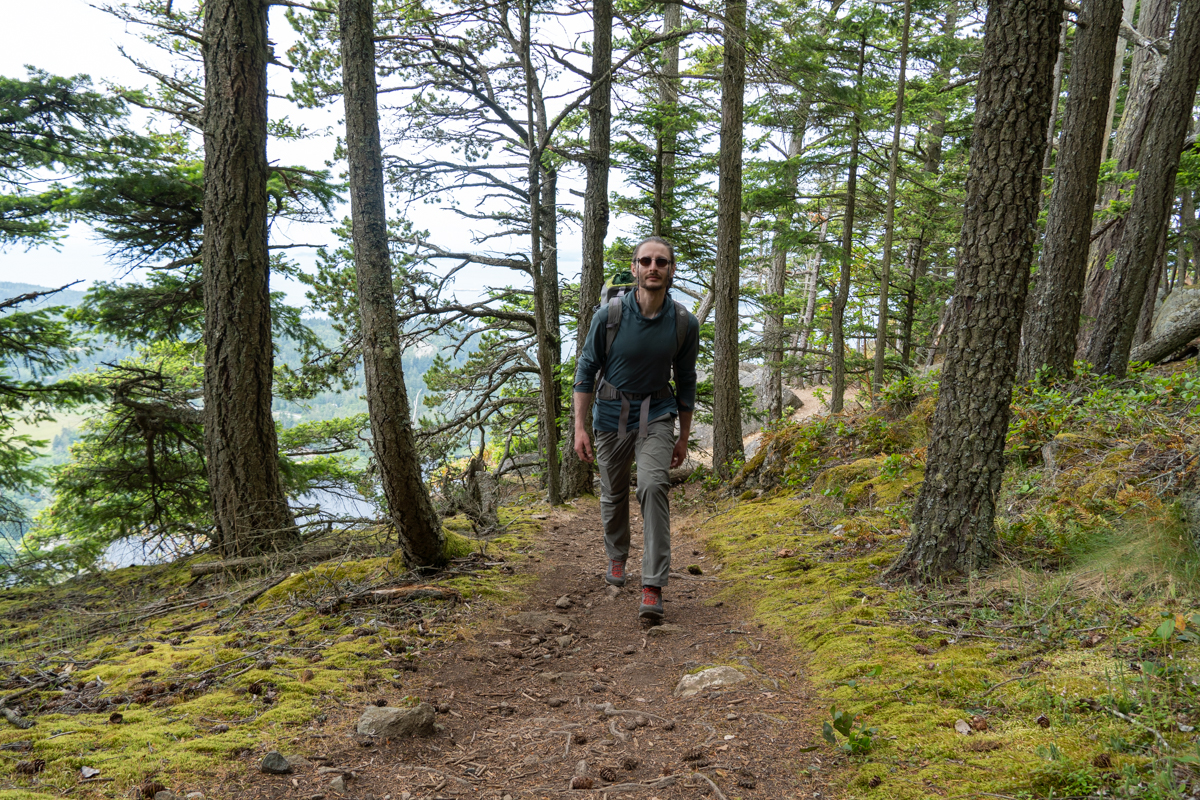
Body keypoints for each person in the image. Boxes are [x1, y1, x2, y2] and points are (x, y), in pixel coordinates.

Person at [572, 236, 699, 620]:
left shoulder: (682, 323)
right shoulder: (608, 317)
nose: (653, 267)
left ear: (671, 269)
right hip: (610, 416)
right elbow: (585, 371)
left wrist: (683, 437)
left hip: (657, 414)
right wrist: (579, 427)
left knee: (653, 485)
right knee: (612, 494)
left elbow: (687, 380)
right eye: (646, 261)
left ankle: (653, 584)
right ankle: (616, 556)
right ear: (635, 268)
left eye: (662, 262)